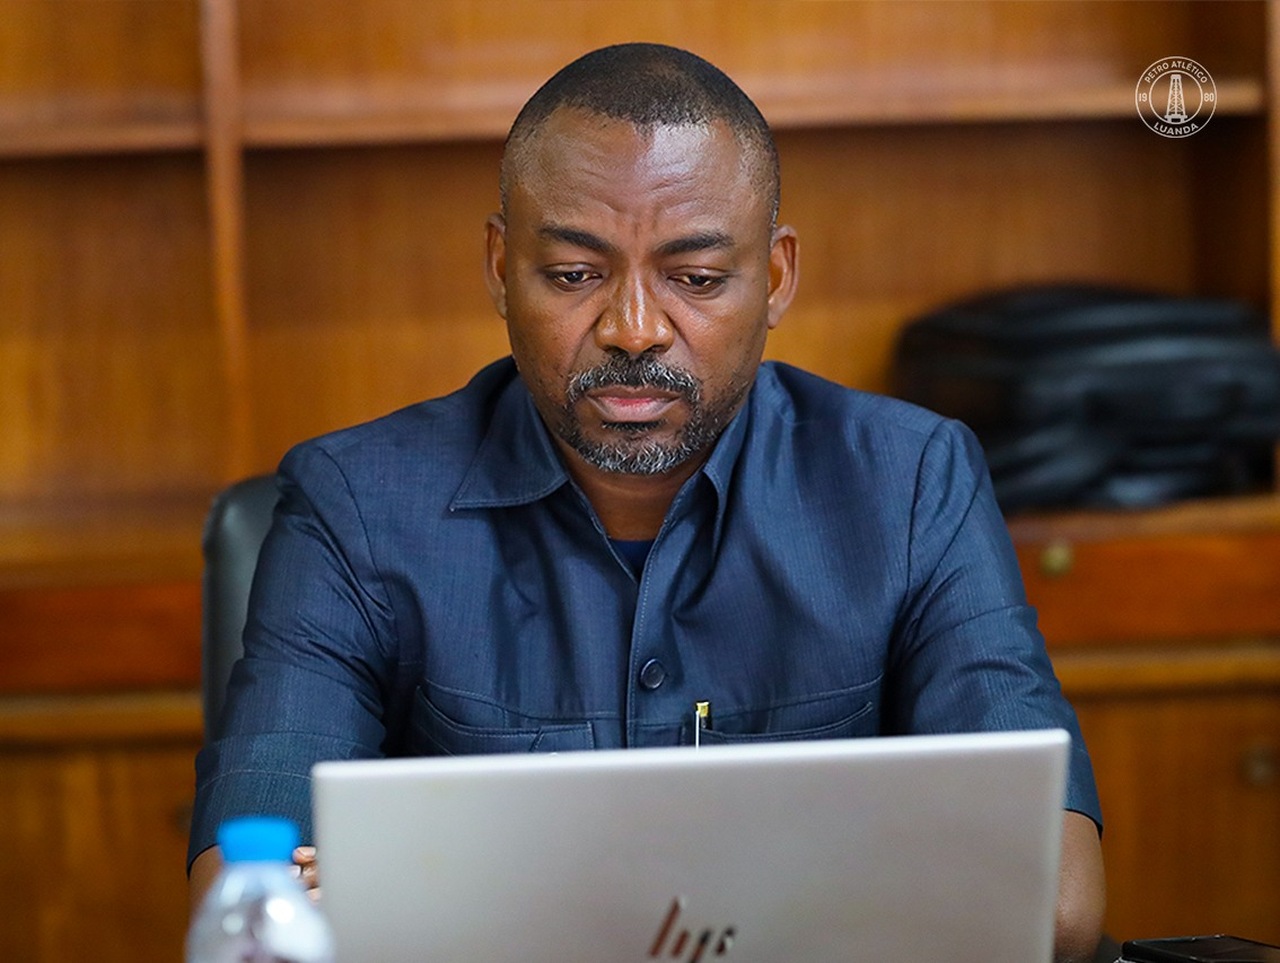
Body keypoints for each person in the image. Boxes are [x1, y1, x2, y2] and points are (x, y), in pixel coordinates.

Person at [188, 42, 1105, 961]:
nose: (634, 330)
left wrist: (452, 890)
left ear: (776, 277)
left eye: (695, 278)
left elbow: (1055, 898)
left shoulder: (912, 483)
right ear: (501, 267)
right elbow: (251, 902)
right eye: (574, 274)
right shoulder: (355, 504)